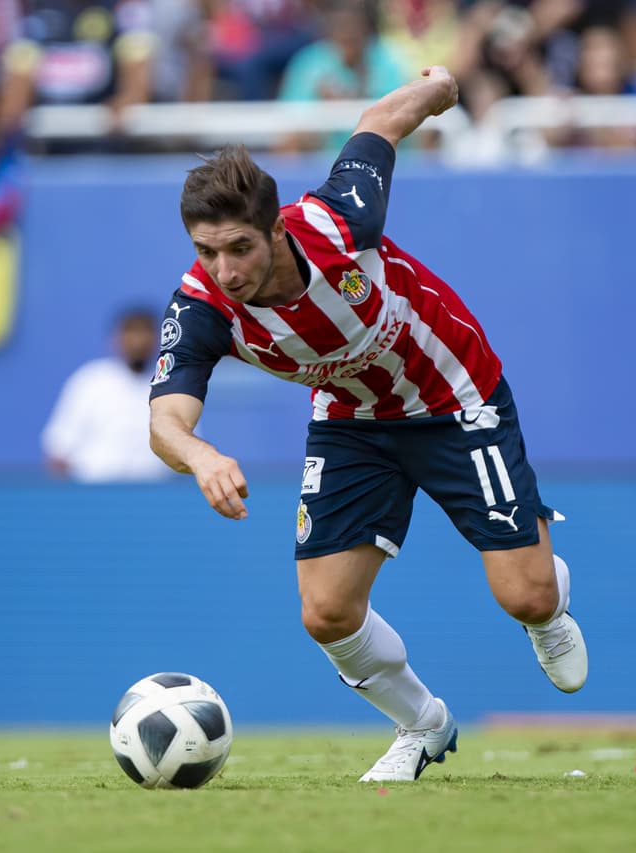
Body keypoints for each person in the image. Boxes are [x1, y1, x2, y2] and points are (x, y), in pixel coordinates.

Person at [147, 66, 588, 782]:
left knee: (525, 595)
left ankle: (548, 596)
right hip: (351, 419)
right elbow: (164, 419)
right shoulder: (202, 307)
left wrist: (441, 86)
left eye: (238, 249)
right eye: (205, 251)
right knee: (324, 611)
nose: (222, 270)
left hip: (453, 395)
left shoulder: (339, 221)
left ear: (275, 227)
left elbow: (379, 122)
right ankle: (422, 724)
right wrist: (199, 456)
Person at [42, 308, 169, 483]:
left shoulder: (170, 386)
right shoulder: (91, 381)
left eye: (145, 333)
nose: (138, 342)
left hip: (153, 495)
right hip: (94, 494)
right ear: (116, 339)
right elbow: (59, 447)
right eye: (131, 333)